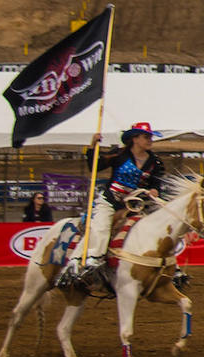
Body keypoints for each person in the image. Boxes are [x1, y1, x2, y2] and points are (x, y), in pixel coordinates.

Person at [59, 122, 168, 286]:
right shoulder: (119, 154)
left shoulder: (155, 162)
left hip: (135, 205)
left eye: (150, 137)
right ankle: (88, 260)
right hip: (110, 201)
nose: (150, 140)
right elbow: (95, 167)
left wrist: (154, 190)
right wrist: (92, 146)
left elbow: (156, 183)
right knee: (101, 228)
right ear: (135, 138)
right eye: (146, 137)